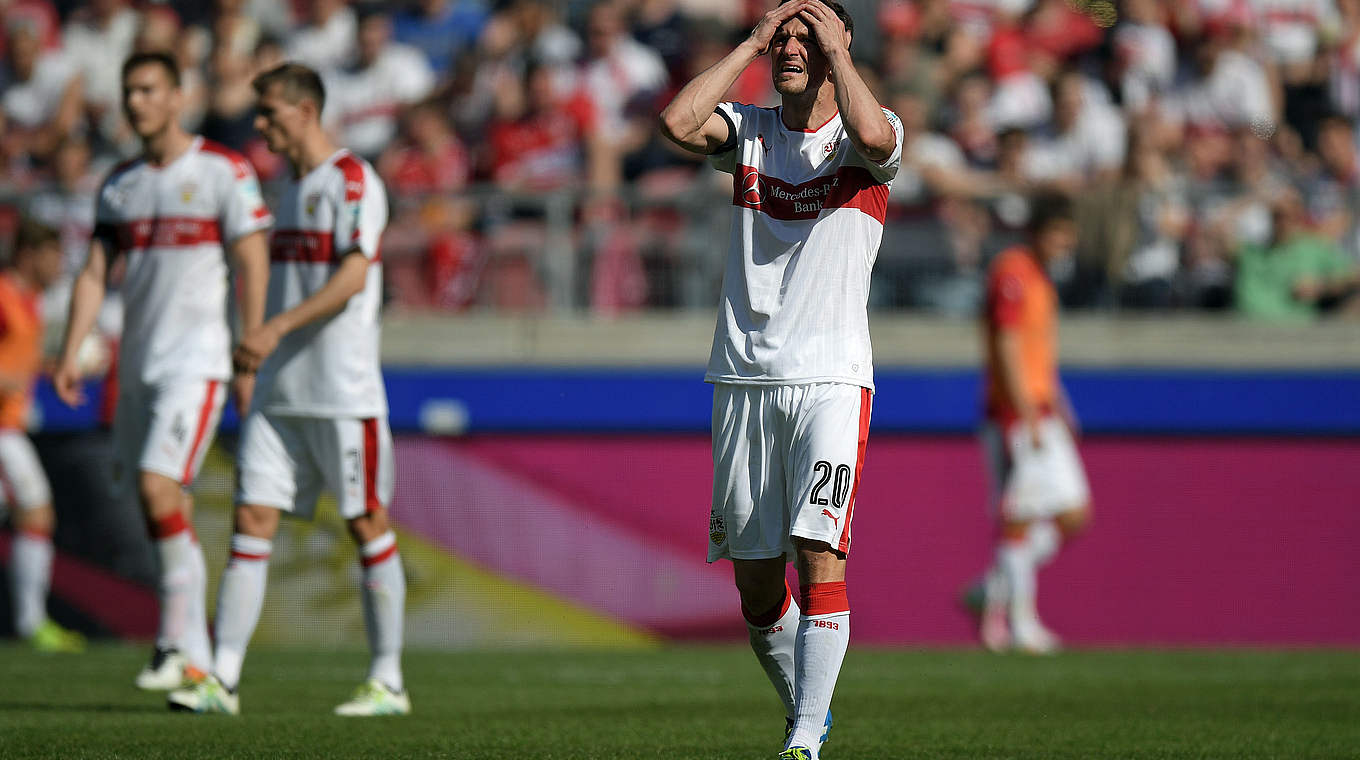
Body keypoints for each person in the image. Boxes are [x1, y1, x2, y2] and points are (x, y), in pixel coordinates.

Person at [658, 2, 902, 758]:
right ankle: (810, 708)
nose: (793, 46)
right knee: (758, 589)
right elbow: (676, 122)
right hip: (742, 375)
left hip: (830, 377)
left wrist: (838, 50)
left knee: (818, 549)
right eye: (786, 35)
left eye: (808, 33)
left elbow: (871, 139)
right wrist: (753, 42)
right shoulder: (753, 131)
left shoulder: (872, 129)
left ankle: (803, 740)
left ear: (839, 41)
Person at [167, 62, 406, 717]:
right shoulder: (291, 188)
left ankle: (388, 679)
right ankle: (223, 677)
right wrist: (256, 361)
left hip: (342, 390)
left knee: (366, 524)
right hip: (279, 391)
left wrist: (273, 330)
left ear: (304, 109)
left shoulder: (353, 180)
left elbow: (355, 276)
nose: (262, 124)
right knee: (251, 521)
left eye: (270, 111)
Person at [52, 51, 272, 690]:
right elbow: (95, 271)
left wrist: (249, 349)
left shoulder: (221, 171)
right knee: (156, 505)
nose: (137, 101)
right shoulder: (121, 184)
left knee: (156, 486)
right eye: (130, 90)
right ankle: (193, 649)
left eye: (150, 89)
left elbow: (252, 258)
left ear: (179, 97)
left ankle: (174, 644)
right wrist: (73, 348)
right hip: (139, 370)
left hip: (196, 362)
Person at [969, 193, 1091, 654]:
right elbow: (1005, 343)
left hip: (1040, 407)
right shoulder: (1013, 271)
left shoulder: (1041, 277)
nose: (1065, 243)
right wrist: (1023, 411)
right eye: (1058, 233)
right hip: (1015, 413)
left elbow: (1038, 350)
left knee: (1073, 511)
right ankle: (1020, 623)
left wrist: (1058, 400)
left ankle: (991, 589)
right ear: (1039, 231)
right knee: (1019, 518)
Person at [2, 218, 84, 653]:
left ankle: (30, 621)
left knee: (33, 514)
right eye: (53, 256)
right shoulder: (2, 295)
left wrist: (55, 369)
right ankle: (30, 623)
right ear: (29, 255)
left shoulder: (29, 300)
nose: (59, 266)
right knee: (36, 511)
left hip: (11, 425)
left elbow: (18, 361)